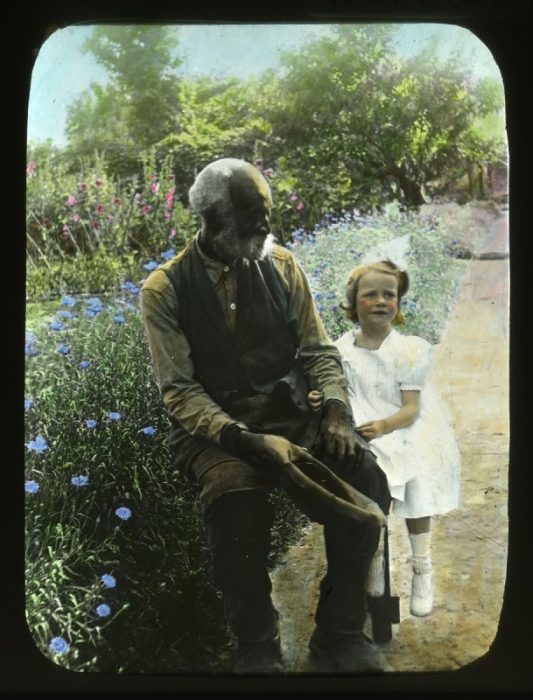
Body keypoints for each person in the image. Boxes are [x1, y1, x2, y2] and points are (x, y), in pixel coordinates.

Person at [140, 158, 390, 674]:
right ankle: (255, 645)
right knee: (236, 505)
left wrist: (338, 411)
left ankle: (340, 633)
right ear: (210, 218)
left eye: (267, 212)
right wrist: (244, 439)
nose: (264, 226)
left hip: (293, 416)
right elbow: (181, 393)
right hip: (215, 432)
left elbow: (319, 352)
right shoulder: (163, 290)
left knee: (367, 478)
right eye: (252, 215)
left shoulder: (282, 265)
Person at [308, 260, 461, 617]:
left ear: (398, 302)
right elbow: (334, 390)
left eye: (389, 295)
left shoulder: (410, 350)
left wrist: (384, 426)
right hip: (362, 426)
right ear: (352, 302)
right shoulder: (341, 350)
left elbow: (410, 409)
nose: (380, 301)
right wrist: (319, 398)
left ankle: (422, 565)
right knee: (366, 484)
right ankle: (374, 563)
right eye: (370, 294)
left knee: (418, 480)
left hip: (402, 426)